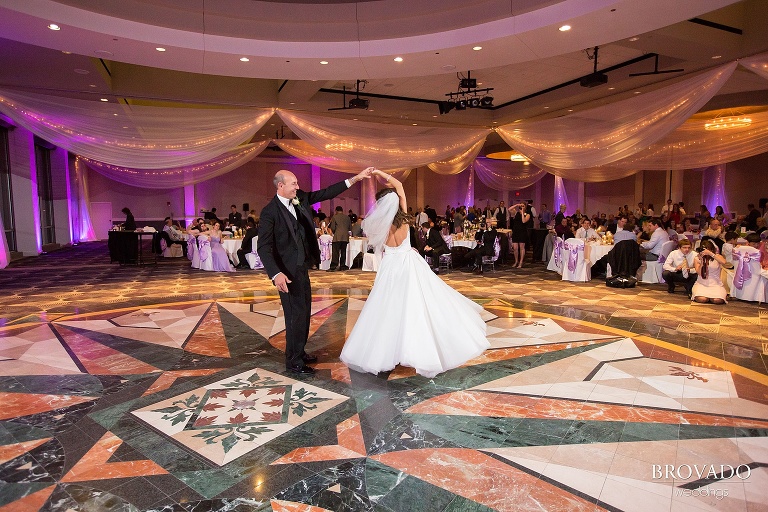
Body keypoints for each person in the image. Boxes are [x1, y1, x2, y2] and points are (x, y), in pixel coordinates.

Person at [340, 170, 489, 378]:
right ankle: (416, 349)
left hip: (389, 266)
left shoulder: (376, 224)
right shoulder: (405, 221)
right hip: (408, 264)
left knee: (387, 309)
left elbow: (380, 248)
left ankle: (385, 351)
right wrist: (381, 173)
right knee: (416, 306)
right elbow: (400, 187)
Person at [257, 167, 373, 375]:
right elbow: (264, 247)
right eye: (294, 184)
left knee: (303, 312)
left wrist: (354, 179)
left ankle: (299, 352)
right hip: (286, 273)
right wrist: (276, 274)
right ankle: (293, 362)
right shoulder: (269, 212)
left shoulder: (299, 198)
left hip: (302, 267)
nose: (298, 187)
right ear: (281, 186)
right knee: (294, 316)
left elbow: (325, 193)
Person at [691, 239, 728, 304]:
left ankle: (713, 297)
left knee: (717, 300)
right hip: (701, 284)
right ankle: (707, 297)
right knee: (702, 299)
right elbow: (699, 273)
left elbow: (724, 262)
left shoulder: (717, 257)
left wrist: (710, 254)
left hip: (716, 284)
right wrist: (703, 260)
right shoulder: (697, 258)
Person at [328, 205, 352, 271]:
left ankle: (334, 266)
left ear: (336, 211)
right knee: (343, 252)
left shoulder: (335, 217)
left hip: (337, 236)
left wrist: (335, 232)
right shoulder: (347, 217)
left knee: (335, 252)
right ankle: (342, 265)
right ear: (342, 210)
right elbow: (350, 228)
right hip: (345, 237)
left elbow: (332, 227)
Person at [509, 202, 530, 268]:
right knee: (515, 248)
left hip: (522, 232)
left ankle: (521, 262)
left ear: (525, 207)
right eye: (521, 206)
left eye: (523, 206)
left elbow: (523, 221)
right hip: (516, 231)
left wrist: (522, 212)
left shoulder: (527, 214)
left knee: (521, 248)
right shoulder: (516, 213)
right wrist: (517, 205)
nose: (521, 207)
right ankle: (516, 261)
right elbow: (509, 209)